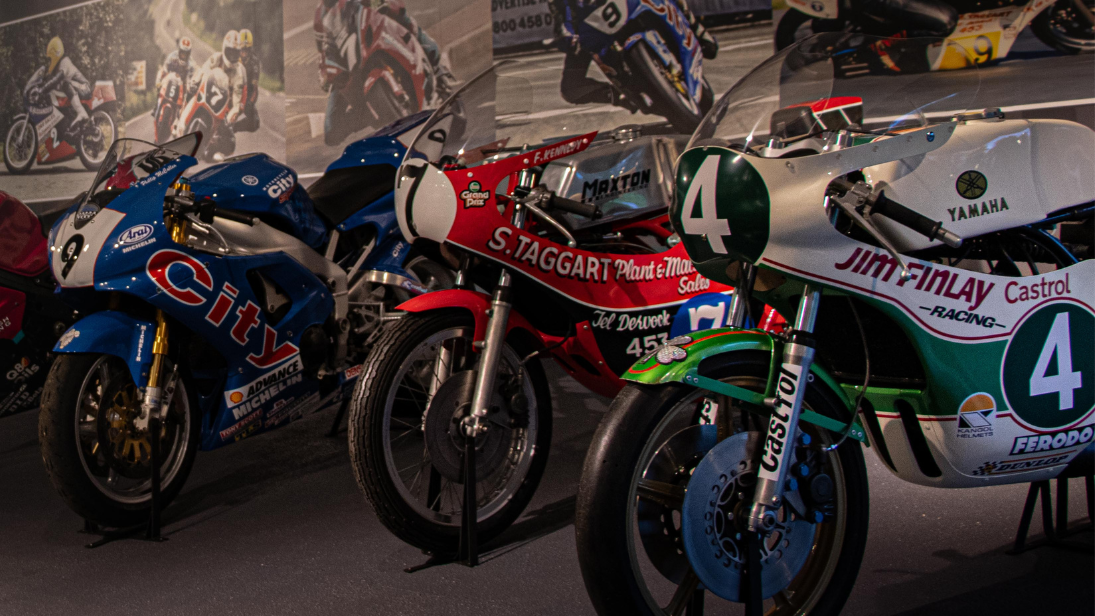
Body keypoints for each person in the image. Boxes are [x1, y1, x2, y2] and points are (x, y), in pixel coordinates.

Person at [547, 0, 717, 109]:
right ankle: (623, 95)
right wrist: (567, 36)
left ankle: (696, 29)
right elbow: (559, 16)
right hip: (590, 27)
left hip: (625, 4)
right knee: (572, 88)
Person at [24, 37, 92, 140]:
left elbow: (57, 79)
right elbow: (50, 81)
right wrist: (39, 87)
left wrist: (41, 90)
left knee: (64, 84)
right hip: (75, 90)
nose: (50, 60)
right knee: (54, 95)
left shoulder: (64, 62)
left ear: (56, 52)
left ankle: (81, 112)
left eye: (51, 57)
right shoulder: (58, 67)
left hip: (83, 87)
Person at [190, 30, 247, 127]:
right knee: (190, 93)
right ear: (224, 48)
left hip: (224, 107)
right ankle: (179, 123)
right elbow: (204, 69)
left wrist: (232, 114)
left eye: (235, 54)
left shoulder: (239, 73)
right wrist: (195, 82)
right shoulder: (216, 57)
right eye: (230, 52)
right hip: (207, 94)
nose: (232, 56)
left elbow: (237, 98)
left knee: (229, 137)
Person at [152, 37, 199, 121]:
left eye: (186, 53)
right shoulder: (172, 56)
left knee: (189, 95)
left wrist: (191, 86)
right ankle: (156, 106)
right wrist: (159, 81)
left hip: (183, 83)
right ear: (179, 50)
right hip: (170, 80)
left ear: (189, 53)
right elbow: (164, 69)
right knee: (160, 84)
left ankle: (182, 114)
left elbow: (192, 79)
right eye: (182, 53)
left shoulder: (192, 64)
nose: (183, 56)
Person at [235, 28, 261, 132]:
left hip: (248, 91)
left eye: (246, 50)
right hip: (232, 87)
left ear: (250, 49)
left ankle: (234, 128)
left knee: (255, 123)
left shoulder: (254, 63)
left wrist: (249, 102)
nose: (243, 53)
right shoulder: (232, 55)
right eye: (241, 50)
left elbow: (254, 88)